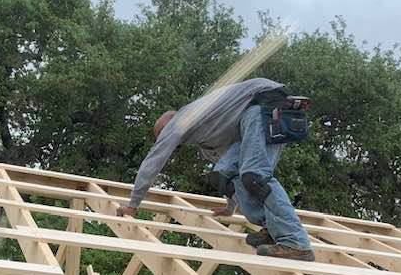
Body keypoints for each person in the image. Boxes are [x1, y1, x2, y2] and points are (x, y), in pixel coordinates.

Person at [116, 78, 314, 261]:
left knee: (256, 176)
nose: (174, 145)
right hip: (248, 118)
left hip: (263, 103)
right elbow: (229, 168)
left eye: (168, 139)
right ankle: (272, 229)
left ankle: (296, 242)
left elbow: (153, 162)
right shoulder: (208, 135)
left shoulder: (179, 121)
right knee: (223, 174)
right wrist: (230, 206)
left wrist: (133, 205)